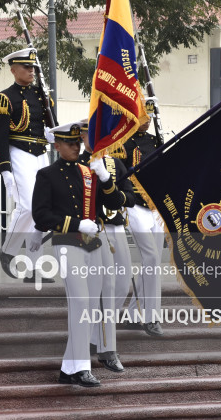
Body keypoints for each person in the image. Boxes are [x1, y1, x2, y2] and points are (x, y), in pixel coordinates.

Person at [32, 121, 131, 388]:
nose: (76, 147)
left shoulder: (88, 172)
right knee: (81, 302)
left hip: (94, 241)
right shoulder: (47, 175)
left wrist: (106, 179)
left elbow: (115, 203)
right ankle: (81, 368)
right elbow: (40, 216)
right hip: (67, 241)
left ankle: (68, 368)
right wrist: (75, 224)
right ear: (57, 146)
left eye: (78, 142)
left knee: (93, 305)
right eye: (70, 143)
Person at [78, 121, 136, 373]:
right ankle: (105, 344)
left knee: (122, 285)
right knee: (101, 288)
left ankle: (97, 331)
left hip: (115, 227)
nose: (93, 138)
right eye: (87, 135)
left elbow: (130, 195)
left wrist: (113, 191)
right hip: (92, 231)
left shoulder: (114, 163)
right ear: (81, 137)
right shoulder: (78, 163)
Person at [0, 48, 52, 282]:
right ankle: (7, 250)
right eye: (26, 67)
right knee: (27, 206)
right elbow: (1, 136)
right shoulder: (6, 98)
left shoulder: (42, 95)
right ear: (13, 70)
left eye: (32, 67)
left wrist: (52, 134)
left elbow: (49, 125)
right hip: (19, 152)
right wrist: (5, 168)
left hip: (41, 153)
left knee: (41, 212)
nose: (31, 71)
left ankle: (34, 268)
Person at [123, 97, 165, 335]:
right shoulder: (122, 144)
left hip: (154, 206)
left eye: (149, 117)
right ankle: (151, 317)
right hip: (134, 206)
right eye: (142, 117)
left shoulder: (156, 140)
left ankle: (131, 313)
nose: (146, 121)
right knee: (151, 260)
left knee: (152, 262)